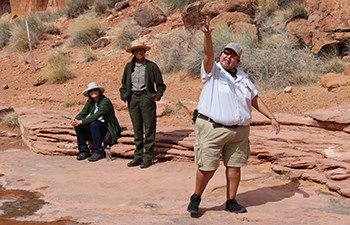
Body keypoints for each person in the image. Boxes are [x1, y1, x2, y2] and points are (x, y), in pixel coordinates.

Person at [187, 16, 280, 214]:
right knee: (207, 167)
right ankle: (196, 197)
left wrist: (271, 117)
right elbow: (207, 55)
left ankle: (231, 201)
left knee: (235, 167)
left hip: (239, 132)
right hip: (213, 128)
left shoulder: (244, 77)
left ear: (238, 59)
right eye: (226, 53)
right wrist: (207, 36)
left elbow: (254, 99)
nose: (228, 57)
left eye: (233, 55)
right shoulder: (213, 71)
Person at [119, 40, 166, 169]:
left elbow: (161, 85)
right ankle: (138, 156)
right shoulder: (129, 66)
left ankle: (147, 157)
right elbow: (124, 83)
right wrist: (124, 95)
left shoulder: (152, 66)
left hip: (146, 98)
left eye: (141, 50)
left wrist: (156, 96)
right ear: (133, 52)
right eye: (136, 50)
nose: (139, 52)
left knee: (149, 127)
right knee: (137, 127)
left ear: (144, 51)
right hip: (133, 98)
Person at [72, 82, 121, 162]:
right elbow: (83, 113)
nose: (93, 92)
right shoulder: (90, 102)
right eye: (91, 91)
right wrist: (75, 120)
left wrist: (82, 121)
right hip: (94, 129)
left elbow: (97, 115)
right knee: (79, 126)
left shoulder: (105, 101)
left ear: (99, 91)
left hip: (107, 128)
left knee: (94, 124)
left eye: (95, 90)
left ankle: (97, 151)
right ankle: (84, 151)